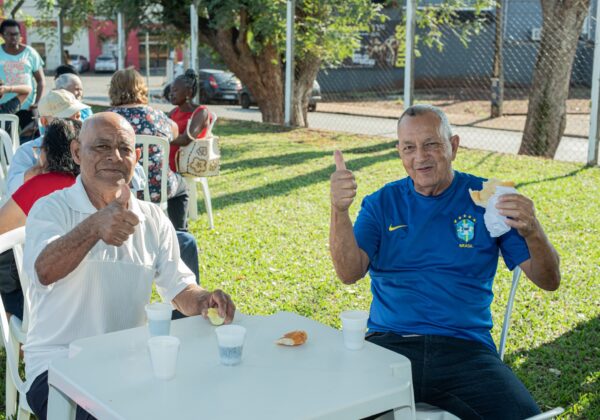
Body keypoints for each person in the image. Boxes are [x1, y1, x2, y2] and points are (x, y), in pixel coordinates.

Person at [329, 104, 561, 420]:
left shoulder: (489, 198)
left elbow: (549, 280)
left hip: (466, 350)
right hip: (388, 347)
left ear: (453, 146)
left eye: (432, 144)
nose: (419, 157)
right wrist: (339, 210)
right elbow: (348, 272)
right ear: (399, 152)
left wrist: (533, 230)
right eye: (409, 147)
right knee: (333, 410)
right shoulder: (382, 203)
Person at [23, 112, 235, 420]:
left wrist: (204, 300)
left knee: (201, 402)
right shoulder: (52, 209)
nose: (114, 156)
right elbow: (44, 271)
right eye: (101, 147)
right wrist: (94, 226)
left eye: (124, 149)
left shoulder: (152, 217)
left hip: (130, 360)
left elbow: (179, 287)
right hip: (58, 365)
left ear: (136, 157)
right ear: (76, 153)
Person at [0, 119, 81, 320]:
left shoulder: (38, 186)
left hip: (38, 296)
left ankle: (13, 324)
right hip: (81, 293)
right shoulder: (88, 186)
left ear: (46, 152)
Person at [108, 68, 190, 231]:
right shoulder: (155, 116)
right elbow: (174, 133)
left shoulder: (106, 118)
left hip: (117, 189)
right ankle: (179, 234)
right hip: (158, 188)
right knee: (183, 187)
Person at [6, 89, 86, 195]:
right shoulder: (29, 151)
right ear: (44, 122)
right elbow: (12, 188)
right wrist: (37, 169)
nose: (77, 122)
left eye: (78, 116)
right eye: (66, 119)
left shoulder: (88, 144)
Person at [0, 19, 45, 134]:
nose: (13, 37)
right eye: (9, 34)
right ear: (2, 35)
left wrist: (37, 103)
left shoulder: (30, 53)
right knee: (6, 142)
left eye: (16, 34)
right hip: (4, 108)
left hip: (27, 107)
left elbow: (40, 81)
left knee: (32, 138)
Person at [167, 69, 210, 172]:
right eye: (171, 90)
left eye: (175, 90)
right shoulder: (174, 112)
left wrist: (162, 137)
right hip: (166, 160)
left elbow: (186, 139)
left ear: (188, 92)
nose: (171, 94)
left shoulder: (200, 113)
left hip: (184, 164)